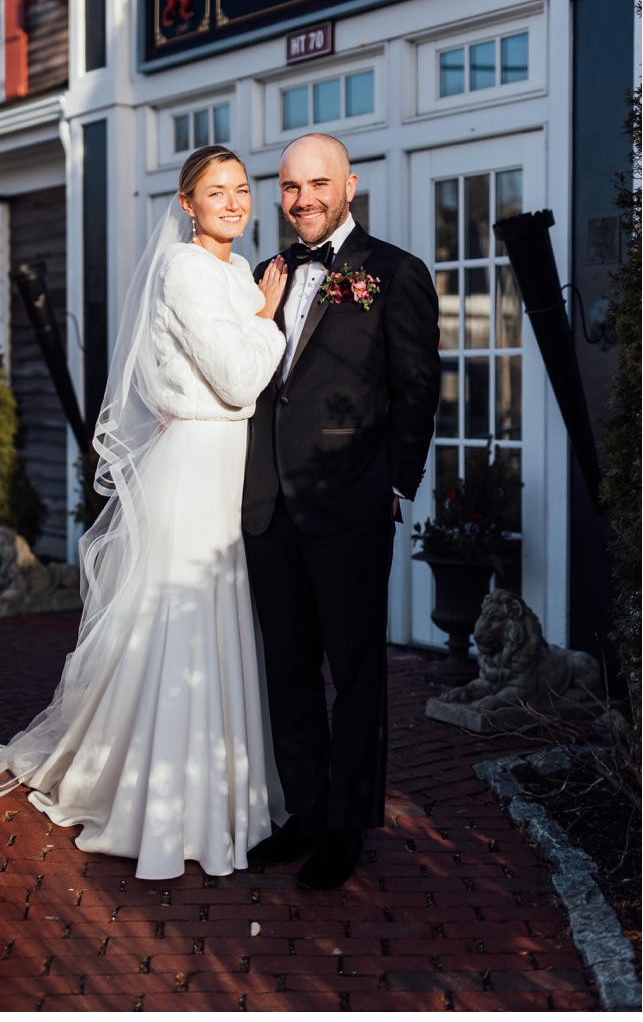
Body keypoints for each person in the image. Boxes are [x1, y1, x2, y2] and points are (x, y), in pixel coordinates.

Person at [0, 144, 293, 880]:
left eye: (242, 189)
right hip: (195, 469)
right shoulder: (185, 269)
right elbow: (239, 377)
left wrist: (254, 310)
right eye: (217, 191)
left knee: (219, 624)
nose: (234, 202)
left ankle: (225, 797)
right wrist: (269, 317)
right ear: (187, 204)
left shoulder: (234, 271)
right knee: (183, 627)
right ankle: (162, 805)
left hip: (223, 466)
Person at [240, 133, 441, 889]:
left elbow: (417, 387)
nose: (303, 200)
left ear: (349, 184)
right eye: (291, 187)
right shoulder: (268, 271)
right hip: (267, 502)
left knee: (353, 671)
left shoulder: (393, 273)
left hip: (351, 500)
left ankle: (349, 825)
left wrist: (395, 484)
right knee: (287, 668)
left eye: (318, 183)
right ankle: (305, 812)